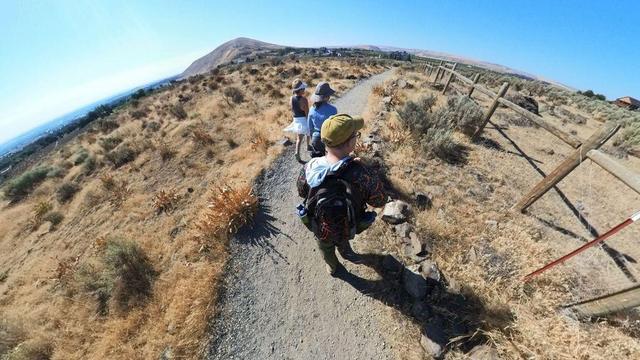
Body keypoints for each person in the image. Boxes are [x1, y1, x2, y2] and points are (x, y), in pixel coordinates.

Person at [297, 114, 387, 276]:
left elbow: (301, 191)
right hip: (349, 224)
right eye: (355, 135)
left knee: (325, 247)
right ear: (349, 143)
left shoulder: (309, 168)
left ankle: (332, 266)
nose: (356, 138)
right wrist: (367, 170)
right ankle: (346, 252)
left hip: (320, 226)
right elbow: (381, 200)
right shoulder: (360, 173)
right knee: (342, 238)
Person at [307, 82, 337, 157]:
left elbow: (310, 128)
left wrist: (313, 140)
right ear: (326, 97)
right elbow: (335, 127)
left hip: (316, 138)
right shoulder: (333, 109)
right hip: (328, 138)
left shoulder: (311, 109)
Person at [283, 79, 310, 162]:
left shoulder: (291, 98)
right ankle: (308, 146)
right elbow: (307, 112)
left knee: (299, 138)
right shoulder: (304, 100)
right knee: (308, 132)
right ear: (301, 90)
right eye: (303, 88)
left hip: (296, 119)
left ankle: (297, 152)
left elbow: (292, 109)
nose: (304, 90)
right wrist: (308, 121)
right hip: (303, 119)